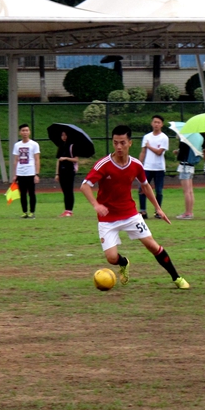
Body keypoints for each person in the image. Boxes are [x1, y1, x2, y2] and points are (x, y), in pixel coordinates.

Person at [80, 124, 190, 290]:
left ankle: (177, 278)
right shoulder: (103, 164)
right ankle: (124, 263)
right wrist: (96, 205)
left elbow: (145, 186)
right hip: (107, 218)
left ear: (130, 143)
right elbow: (85, 185)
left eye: (122, 142)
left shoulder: (136, 165)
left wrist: (158, 208)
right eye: (115, 142)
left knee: (153, 246)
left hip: (130, 214)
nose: (118, 146)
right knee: (111, 258)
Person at [138, 115, 169, 219]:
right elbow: (143, 152)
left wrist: (149, 146)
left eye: (158, 122)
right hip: (147, 167)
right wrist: (139, 164)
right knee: (142, 188)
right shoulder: (147, 137)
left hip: (159, 168)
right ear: (152, 123)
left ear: (162, 125)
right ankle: (143, 211)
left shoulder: (164, 137)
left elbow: (159, 152)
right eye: (155, 122)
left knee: (158, 190)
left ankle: (158, 211)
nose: (156, 124)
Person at [12, 124, 41, 218]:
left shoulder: (34, 144)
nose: (25, 132)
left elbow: (37, 159)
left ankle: (32, 212)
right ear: (20, 132)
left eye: (26, 130)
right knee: (22, 193)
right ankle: (24, 211)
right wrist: (15, 174)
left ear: (29, 132)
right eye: (23, 130)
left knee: (31, 193)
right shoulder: (17, 145)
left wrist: (37, 174)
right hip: (20, 172)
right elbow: (16, 160)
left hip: (31, 172)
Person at [173, 138, 199, 220]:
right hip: (190, 166)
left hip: (185, 166)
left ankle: (188, 213)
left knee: (187, 191)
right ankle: (190, 211)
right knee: (190, 191)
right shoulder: (193, 140)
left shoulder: (184, 140)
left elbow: (183, 153)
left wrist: (178, 152)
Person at [54, 130, 79, 217]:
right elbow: (58, 160)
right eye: (62, 135)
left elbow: (76, 159)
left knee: (69, 190)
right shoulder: (61, 146)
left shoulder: (72, 146)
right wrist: (57, 174)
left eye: (65, 135)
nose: (64, 137)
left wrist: (66, 158)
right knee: (64, 191)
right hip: (62, 171)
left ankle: (69, 210)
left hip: (70, 171)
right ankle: (66, 210)